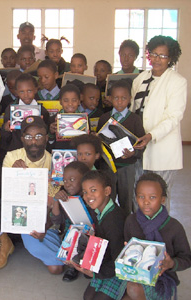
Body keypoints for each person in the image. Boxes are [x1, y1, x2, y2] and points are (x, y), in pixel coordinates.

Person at [130, 35, 187, 212]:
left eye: (163, 56)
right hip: (139, 148)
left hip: (163, 151)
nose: (157, 59)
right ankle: (139, 236)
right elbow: (133, 110)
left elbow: (173, 116)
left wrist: (151, 135)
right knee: (138, 196)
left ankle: (159, 238)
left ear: (170, 59)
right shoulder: (139, 79)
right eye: (154, 54)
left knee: (158, 200)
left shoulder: (177, 82)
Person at [2, 115, 64, 274]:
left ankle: (67, 253)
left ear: (46, 137)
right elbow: (9, 196)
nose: (34, 141)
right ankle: (4, 243)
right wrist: (13, 174)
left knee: (56, 268)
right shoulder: (12, 157)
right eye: (29, 137)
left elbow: (52, 202)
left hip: (43, 215)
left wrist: (45, 225)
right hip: (20, 213)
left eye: (39, 136)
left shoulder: (54, 162)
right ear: (22, 138)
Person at [120, 173, 191, 300]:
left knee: (133, 289)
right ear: (136, 198)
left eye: (152, 197)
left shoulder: (174, 227)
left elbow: (187, 259)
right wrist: (127, 251)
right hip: (136, 273)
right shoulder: (131, 221)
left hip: (163, 277)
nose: (146, 202)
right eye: (141, 196)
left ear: (163, 199)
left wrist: (171, 263)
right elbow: (126, 246)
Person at [73, 170, 126, 300]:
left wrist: (96, 273)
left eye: (93, 190)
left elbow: (119, 261)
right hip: (106, 264)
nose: (88, 196)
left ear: (107, 191)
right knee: (87, 297)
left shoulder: (114, 221)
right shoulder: (97, 211)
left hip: (119, 271)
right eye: (85, 192)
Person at [97, 80, 145, 216]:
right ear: (110, 98)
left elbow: (141, 145)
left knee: (126, 200)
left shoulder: (135, 119)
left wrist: (133, 152)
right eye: (116, 98)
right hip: (108, 167)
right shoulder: (104, 118)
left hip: (127, 167)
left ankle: (126, 227)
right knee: (108, 199)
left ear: (129, 99)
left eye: (124, 98)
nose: (119, 102)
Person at [52, 161, 90, 282]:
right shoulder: (66, 196)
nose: (67, 184)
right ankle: (72, 267)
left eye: (72, 180)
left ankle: (88, 263)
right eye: (65, 180)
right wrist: (56, 201)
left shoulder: (90, 196)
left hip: (92, 233)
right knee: (71, 240)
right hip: (73, 234)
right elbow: (57, 220)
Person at [0, 73, 50, 153]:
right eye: (22, 92)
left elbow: (47, 134)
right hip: (16, 150)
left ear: (36, 90)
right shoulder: (11, 109)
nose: (26, 95)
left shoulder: (42, 111)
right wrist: (6, 129)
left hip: (37, 151)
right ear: (16, 92)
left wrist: (42, 125)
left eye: (29, 91)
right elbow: (5, 138)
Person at [48, 84, 82, 150]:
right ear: (60, 101)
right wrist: (51, 133)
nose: (70, 104)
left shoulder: (84, 119)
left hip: (79, 155)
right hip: (60, 155)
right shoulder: (53, 119)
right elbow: (50, 145)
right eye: (66, 100)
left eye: (74, 100)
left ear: (79, 101)